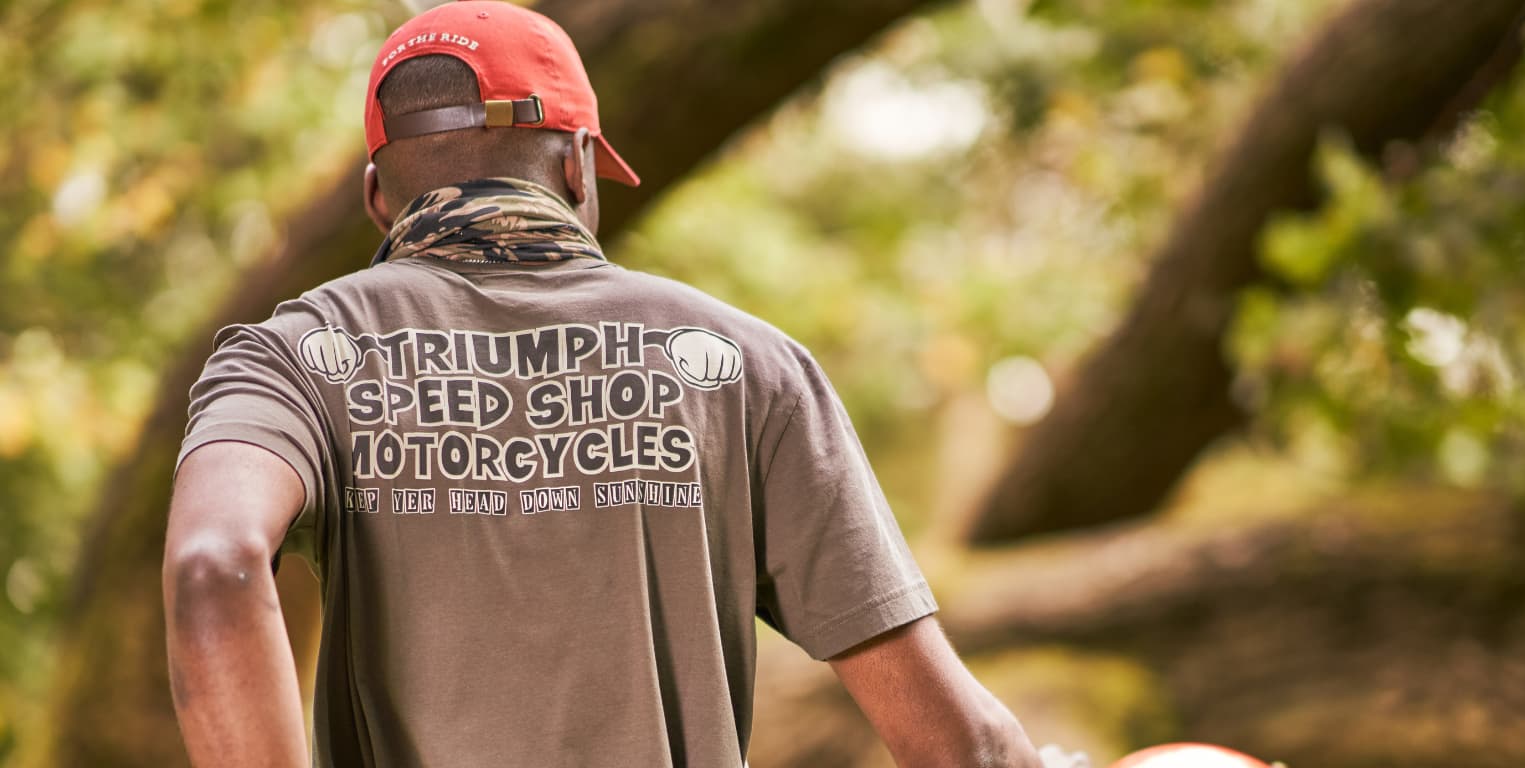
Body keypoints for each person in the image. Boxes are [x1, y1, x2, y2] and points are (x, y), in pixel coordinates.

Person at [161, 3, 1042, 766]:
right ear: (578, 166)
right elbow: (961, 747)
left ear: (376, 200)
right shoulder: (745, 366)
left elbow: (213, 564)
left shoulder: (293, 357)